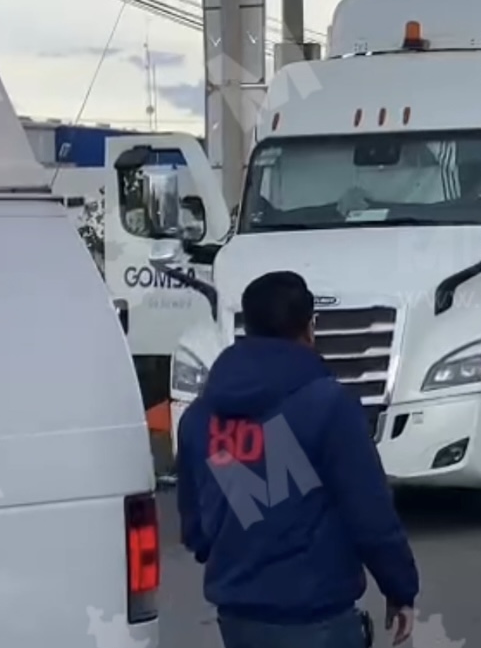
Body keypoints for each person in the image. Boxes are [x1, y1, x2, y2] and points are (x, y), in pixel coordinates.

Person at [177, 271, 419, 648]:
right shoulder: (328, 405)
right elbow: (369, 513)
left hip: (238, 618)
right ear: (310, 329)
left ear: (248, 327)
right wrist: (400, 588)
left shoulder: (199, 417)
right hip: (316, 614)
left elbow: (195, 530)